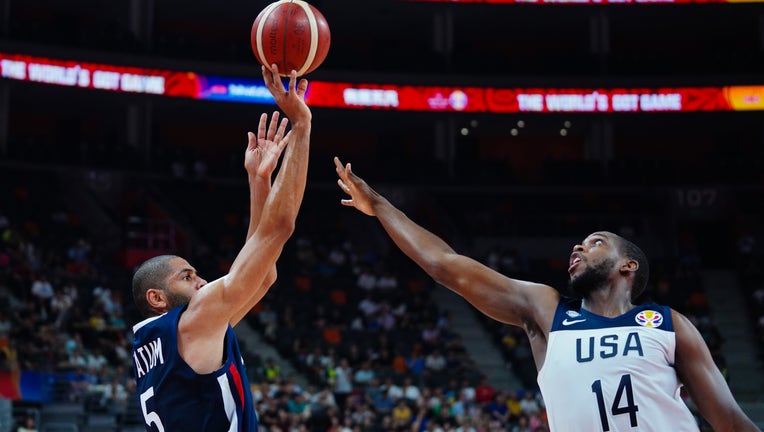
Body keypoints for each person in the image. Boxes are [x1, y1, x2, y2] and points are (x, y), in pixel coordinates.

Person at [332, 157, 759, 432]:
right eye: (579, 243)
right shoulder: (546, 310)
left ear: (628, 266)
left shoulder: (667, 324)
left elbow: (731, 423)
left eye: (595, 242)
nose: (578, 247)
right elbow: (446, 266)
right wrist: (381, 206)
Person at [129, 64, 311, 432]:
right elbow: (281, 227)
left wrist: (259, 181)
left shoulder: (165, 339)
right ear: (157, 297)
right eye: (187, 276)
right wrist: (302, 127)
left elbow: (263, 277)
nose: (201, 281)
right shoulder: (193, 323)